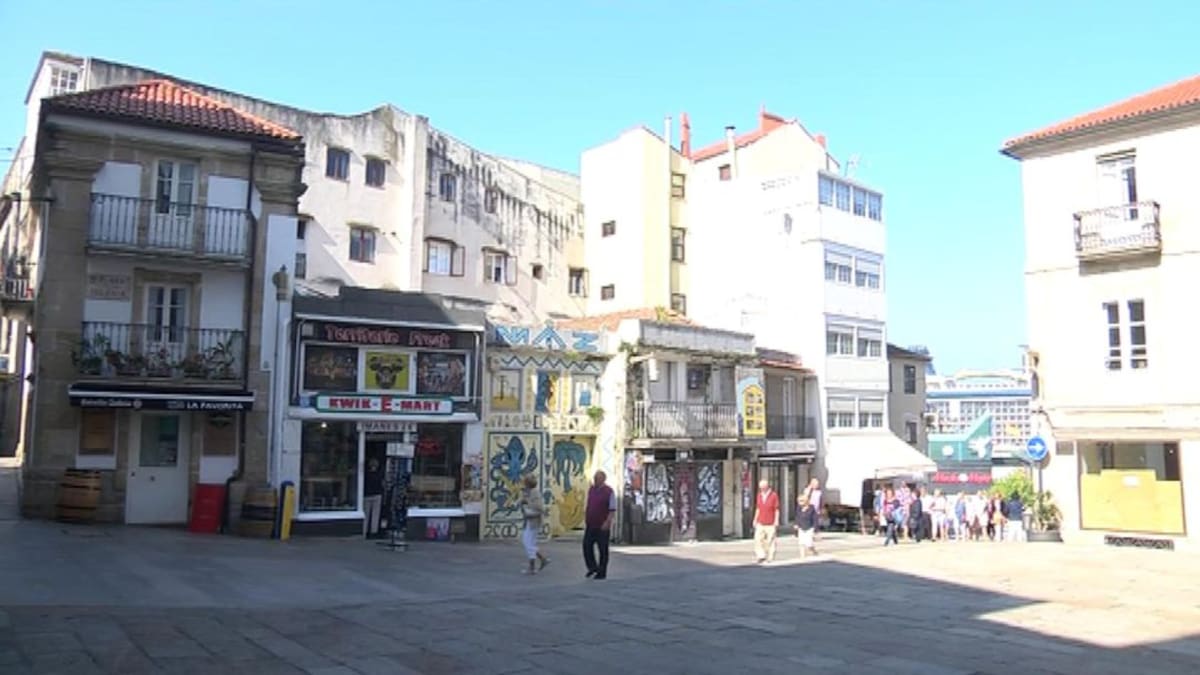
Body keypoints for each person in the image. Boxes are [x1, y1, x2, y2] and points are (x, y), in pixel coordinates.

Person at [583, 470, 616, 580]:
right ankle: (592, 567)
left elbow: (612, 509)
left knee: (603, 549)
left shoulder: (609, 491)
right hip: (591, 523)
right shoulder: (591, 489)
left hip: (602, 525)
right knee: (587, 546)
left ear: (603, 479)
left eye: (597, 478)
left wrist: (608, 522)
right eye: (595, 478)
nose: (595, 480)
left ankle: (602, 572)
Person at [518, 474, 549, 574]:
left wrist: (526, 502)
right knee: (529, 542)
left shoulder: (534, 493)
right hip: (530, 521)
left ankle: (535, 564)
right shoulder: (529, 492)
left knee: (528, 542)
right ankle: (540, 560)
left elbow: (539, 507)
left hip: (534, 521)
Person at [753, 479, 780, 564]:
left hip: (770, 522)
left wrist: (776, 520)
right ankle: (761, 556)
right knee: (758, 539)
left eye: (763, 487)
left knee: (770, 540)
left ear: (767, 486)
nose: (761, 489)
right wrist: (755, 519)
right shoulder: (759, 495)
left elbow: (776, 509)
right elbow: (758, 508)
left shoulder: (773, 495)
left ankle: (770, 557)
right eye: (760, 487)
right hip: (761, 521)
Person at [363, 454, 384, 538]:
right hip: (377, 495)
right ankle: (373, 531)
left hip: (367, 495)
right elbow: (383, 484)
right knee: (375, 514)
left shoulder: (366, 474)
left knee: (366, 514)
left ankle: (364, 531)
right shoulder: (379, 474)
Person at [795, 494, 818, 558]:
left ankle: (814, 551)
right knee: (801, 543)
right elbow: (797, 517)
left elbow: (815, 519)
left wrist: (815, 529)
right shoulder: (799, 508)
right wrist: (796, 524)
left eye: (801, 501)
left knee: (809, 544)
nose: (800, 502)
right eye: (799, 501)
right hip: (801, 527)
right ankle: (802, 557)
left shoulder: (811, 508)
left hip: (809, 527)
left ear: (806, 501)